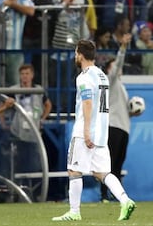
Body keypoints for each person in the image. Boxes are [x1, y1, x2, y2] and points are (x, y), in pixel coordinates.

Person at [52, 39, 136, 221]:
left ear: (80, 55)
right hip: (102, 132)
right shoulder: (102, 75)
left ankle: (74, 212)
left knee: (74, 171)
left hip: (85, 131)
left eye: (76, 53)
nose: (75, 56)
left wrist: (86, 131)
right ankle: (125, 200)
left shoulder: (84, 77)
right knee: (103, 173)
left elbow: (88, 103)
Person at [100, 34, 142, 202]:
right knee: (109, 164)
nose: (117, 68)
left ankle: (115, 195)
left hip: (124, 128)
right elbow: (117, 64)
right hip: (113, 127)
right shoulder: (110, 81)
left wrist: (133, 112)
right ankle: (103, 194)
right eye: (114, 66)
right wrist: (122, 47)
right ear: (109, 69)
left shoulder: (120, 86)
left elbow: (122, 109)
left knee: (118, 164)